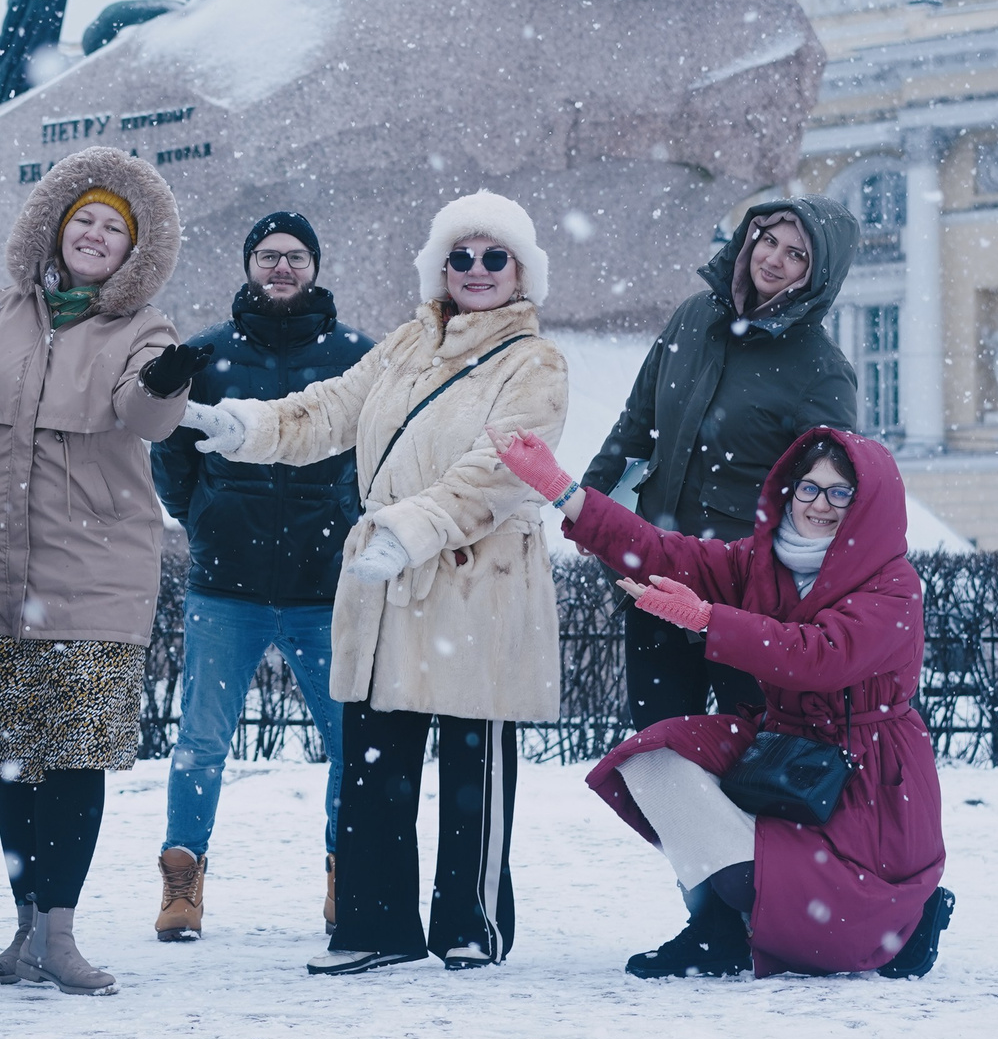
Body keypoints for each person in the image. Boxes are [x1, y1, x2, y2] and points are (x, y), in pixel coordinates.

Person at [188, 191, 568, 975]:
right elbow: (327, 410)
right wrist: (246, 428)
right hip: (384, 576)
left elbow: (504, 467)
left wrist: (413, 527)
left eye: (494, 256)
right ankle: (375, 922)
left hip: (476, 577)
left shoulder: (536, 360)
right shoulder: (405, 344)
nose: (476, 270)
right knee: (374, 755)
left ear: (521, 268)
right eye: (460, 257)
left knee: (475, 756)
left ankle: (472, 920)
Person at [496, 426, 955, 980]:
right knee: (654, 760)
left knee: (818, 931)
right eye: (808, 488)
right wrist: (563, 490)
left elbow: (823, 656)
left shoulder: (893, 584)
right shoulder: (761, 560)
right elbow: (665, 552)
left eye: (840, 493)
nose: (818, 505)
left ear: (867, 505)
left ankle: (903, 918)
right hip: (784, 743)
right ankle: (719, 928)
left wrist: (710, 619)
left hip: (868, 775)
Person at [0, 147, 204, 997]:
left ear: (132, 251)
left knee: (73, 762)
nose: (93, 235)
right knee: (15, 763)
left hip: (93, 579)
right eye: (82, 219)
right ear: (53, 227)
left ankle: (62, 934)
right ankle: (21, 932)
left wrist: (165, 385)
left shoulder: (140, 328)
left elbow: (143, 417)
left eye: (112, 228)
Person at [150, 209, 370, 941]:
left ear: (315, 266)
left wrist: (348, 515)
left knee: (348, 742)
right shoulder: (206, 353)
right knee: (201, 742)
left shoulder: (355, 355)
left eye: (296, 256)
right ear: (249, 264)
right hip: (227, 585)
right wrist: (207, 518)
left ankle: (349, 874)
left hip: (323, 586)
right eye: (270, 255)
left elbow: (374, 454)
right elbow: (173, 456)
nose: (283, 267)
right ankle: (183, 882)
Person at [581, 197, 858, 730]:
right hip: (657, 579)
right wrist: (588, 511)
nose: (773, 260)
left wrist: (796, 598)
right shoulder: (693, 318)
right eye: (769, 240)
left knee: (751, 759)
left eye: (796, 254)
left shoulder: (821, 371)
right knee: (657, 752)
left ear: (819, 273)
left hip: (749, 605)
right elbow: (636, 425)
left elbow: (834, 502)